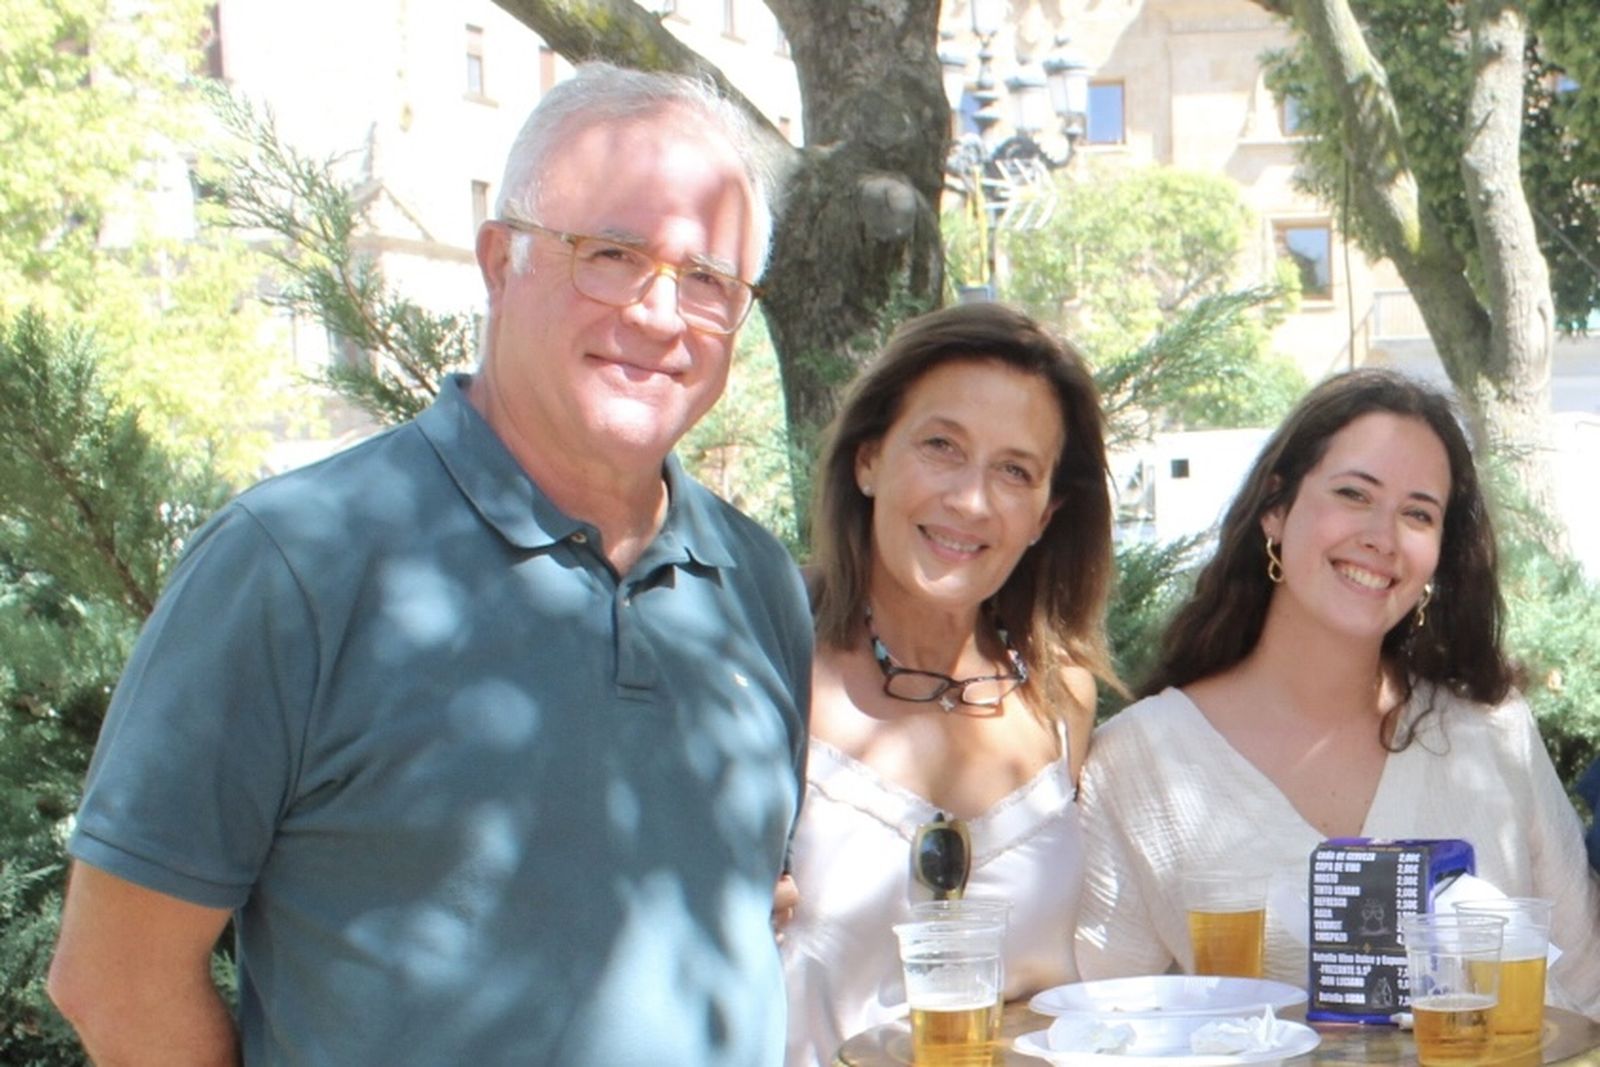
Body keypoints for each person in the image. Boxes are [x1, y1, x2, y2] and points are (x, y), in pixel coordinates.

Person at [47, 63, 813, 1065]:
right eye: (613, 255)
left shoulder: (756, 582)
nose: (661, 313)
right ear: (500, 261)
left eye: (707, 278)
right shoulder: (296, 564)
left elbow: (741, 915)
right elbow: (114, 978)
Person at [1075, 369, 1600, 1018]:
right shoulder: (1140, 761)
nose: (1383, 536)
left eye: (1418, 513)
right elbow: (1102, 1022)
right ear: (1276, 508)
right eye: (1354, 493)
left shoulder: (1493, 733)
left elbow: (1585, 989)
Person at [779, 303, 1121, 1064]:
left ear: (1046, 514)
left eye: (1014, 470)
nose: (972, 500)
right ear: (869, 459)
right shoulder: (771, 660)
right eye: (942, 447)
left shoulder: (1061, 696)